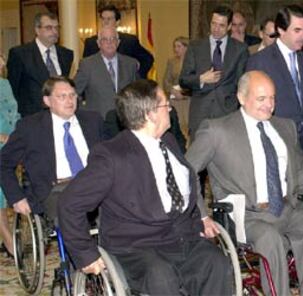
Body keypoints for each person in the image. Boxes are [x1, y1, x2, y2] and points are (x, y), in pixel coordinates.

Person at [58, 79, 232, 295]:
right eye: (165, 104)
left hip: (180, 236)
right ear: (150, 114)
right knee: (161, 276)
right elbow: (70, 203)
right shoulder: (112, 155)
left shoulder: (168, 141)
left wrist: (201, 218)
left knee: (216, 263)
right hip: (135, 245)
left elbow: (184, 185)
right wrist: (85, 254)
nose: (170, 108)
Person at [186, 70, 303, 296]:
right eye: (261, 98)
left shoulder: (285, 127)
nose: (269, 105)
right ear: (241, 98)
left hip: (287, 208)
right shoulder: (217, 130)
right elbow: (186, 171)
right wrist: (202, 216)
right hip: (247, 216)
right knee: (271, 239)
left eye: (272, 98)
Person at [0, 76, 105, 219]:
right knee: (71, 209)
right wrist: (17, 198)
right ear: (47, 101)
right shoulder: (30, 128)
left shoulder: (93, 121)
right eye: (62, 96)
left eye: (72, 95)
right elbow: (3, 163)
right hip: (58, 190)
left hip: (95, 185)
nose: (69, 101)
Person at [246, 5, 303, 165]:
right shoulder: (259, 61)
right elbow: (250, 106)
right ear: (281, 29)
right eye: (297, 30)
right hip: (274, 138)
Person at [179, 5, 249, 140]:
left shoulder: (240, 50)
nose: (216, 29)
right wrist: (201, 79)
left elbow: (241, 84)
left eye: (221, 25)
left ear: (229, 26)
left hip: (227, 114)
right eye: (213, 24)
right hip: (200, 115)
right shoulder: (195, 47)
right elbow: (183, 80)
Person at [7, 12, 73, 117]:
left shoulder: (67, 55)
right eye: (49, 28)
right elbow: (12, 90)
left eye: (57, 28)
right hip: (31, 118)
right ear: (37, 30)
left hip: (60, 116)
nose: (54, 32)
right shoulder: (20, 54)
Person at [75, 26, 139, 118]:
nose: (109, 42)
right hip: (98, 121)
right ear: (98, 43)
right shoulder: (87, 65)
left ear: (118, 42)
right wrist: (84, 112)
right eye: (105, 39)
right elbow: (74, 92)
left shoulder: (130, 64)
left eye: (113, 39)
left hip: (125, 120)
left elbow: (136, 94)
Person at [82, 4, 153, 78]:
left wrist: (136, 76)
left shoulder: (130, 41)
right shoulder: (91, 43)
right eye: (103, 19)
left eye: (109, 19)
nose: (105, 22)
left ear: (117, 22)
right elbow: (84, 67)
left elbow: (148, 59)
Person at [0, 53, 20, 258]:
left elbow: (14, 113)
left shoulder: (5, 84)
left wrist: (18, 133)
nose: (3, 63)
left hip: (9, 147)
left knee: (5, 197)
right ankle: (9, 243)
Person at [163, 36, 190, 133]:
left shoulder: (193, 61)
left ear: (186, 47)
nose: (176, 49)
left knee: (189, 126)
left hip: (189, 99)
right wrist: (174, 91)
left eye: (179, 46)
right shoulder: (171, 61)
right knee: (177, 126)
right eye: (174, 46)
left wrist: (185, 93)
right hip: (175, 98)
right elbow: (166, 81)